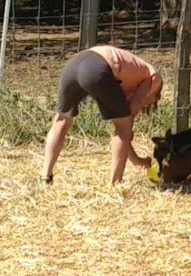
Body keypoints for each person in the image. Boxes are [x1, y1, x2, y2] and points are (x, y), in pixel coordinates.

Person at [42, 44, 163, 185]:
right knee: (124, 126)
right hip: (96, 67)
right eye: (153, 101)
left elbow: (121, 128)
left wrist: (138, 161)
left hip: (73, 65)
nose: (148, 105)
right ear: (156, 92)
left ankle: (45, 177)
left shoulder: (127, 79)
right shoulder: (154, 78)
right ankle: (115, 184)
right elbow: (126, 123)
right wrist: (137, 158)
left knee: (61, 120)